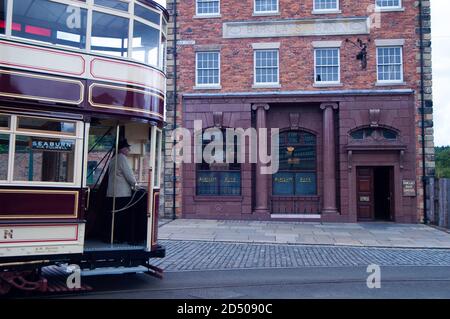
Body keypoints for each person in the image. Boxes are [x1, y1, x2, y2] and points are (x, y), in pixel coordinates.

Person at [105, 139, 138, 244]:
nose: (129, 150)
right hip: (121, 194)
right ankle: (119, 238)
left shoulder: (113, 159)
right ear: (123, 149)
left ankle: (112, 237)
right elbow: (129, 175)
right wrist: (135, 184)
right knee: (121, 218)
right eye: (127, 148)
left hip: (112, 193)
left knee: (114, 217)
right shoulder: (122, 158)